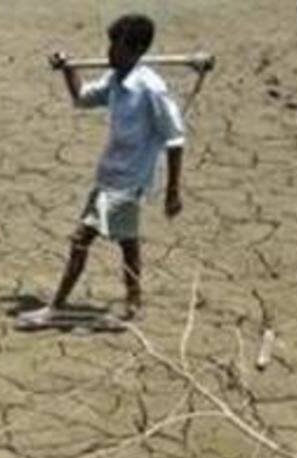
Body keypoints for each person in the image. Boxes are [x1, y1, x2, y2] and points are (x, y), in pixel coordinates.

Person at [21, 13, 186, 325]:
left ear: (136, 49)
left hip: (128, 182)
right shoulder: (115, 80)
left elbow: (175, 138)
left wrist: (173, 192)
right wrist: (68, 68)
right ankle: (134, 301)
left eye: (117, 45)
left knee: (81, 239)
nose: (109, 52)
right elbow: (82, 99)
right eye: (110, 44)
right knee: (127, 243)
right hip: (108, 177)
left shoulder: (150, 89)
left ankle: (56, 306)